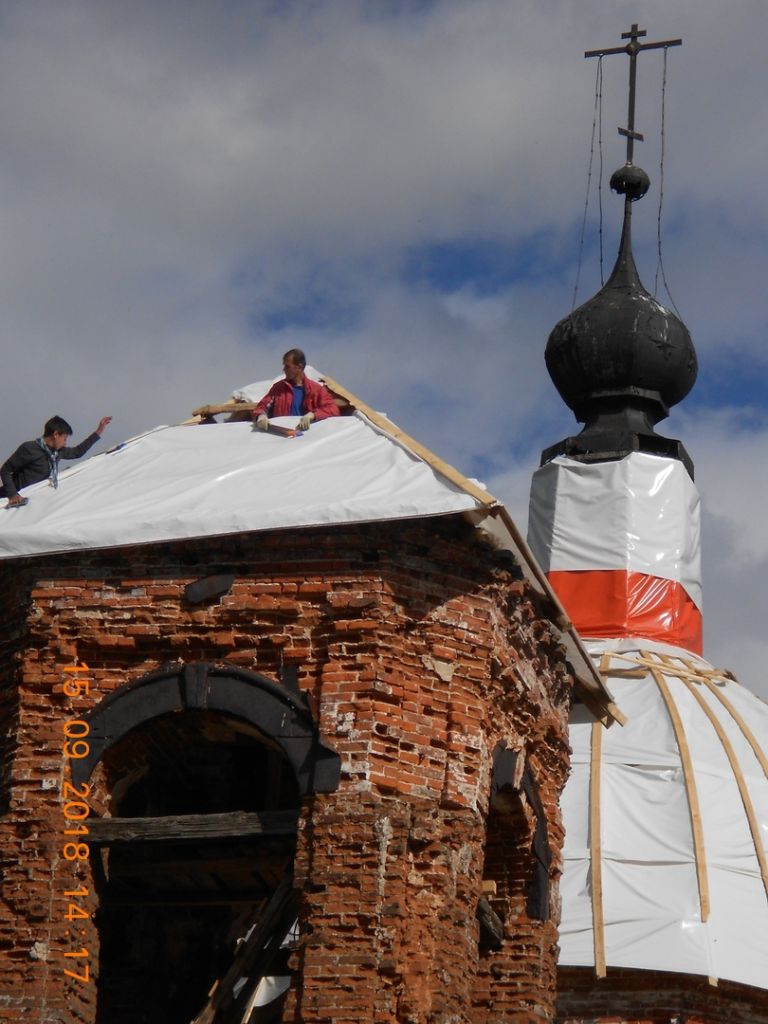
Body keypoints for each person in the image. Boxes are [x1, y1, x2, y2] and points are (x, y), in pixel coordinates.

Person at [1, 414, 112, 506]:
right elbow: (5, 470)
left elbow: (77, 452)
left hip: (31, 499)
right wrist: (12, 494)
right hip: (10, 498)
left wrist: (98, 431)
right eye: (64, 438)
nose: (65, 442)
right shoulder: (30, 448)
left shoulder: (57, 452)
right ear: (55, 435)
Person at [252, 349, 339, 431]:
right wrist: (261, 415)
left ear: (299, 367)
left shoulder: (316, 389)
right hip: (281, 435)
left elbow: (333, 409)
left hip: (306, 437)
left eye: (287, 366)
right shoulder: (278, 388)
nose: (284, 369)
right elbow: (261, 406)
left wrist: (312, 415)